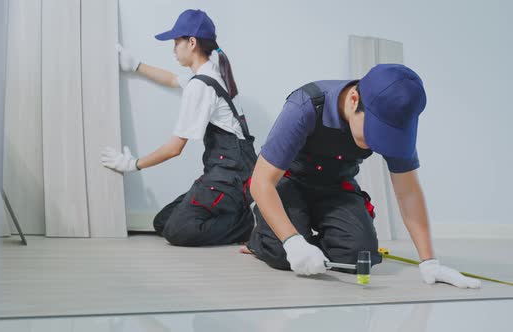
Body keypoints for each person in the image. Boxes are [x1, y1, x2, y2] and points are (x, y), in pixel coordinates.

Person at [241, 64, 480, 288]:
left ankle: (300, 236)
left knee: (358, 256)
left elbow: (408, 192)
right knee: (283, 253)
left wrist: (429, 262)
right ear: (354, 100)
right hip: (288, 182)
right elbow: (262, 182)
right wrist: (292, 241)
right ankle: (264, 237)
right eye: (374, 132)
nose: (377, 142)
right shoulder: (305, 105)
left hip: (335, 187)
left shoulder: (396, 123)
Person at [101, 9, 257, 246]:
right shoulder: (211, 73)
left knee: (177, 231)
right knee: (163, 222)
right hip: (229, 173)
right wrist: (136, 65)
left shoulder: (202, 86)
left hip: (231, 177)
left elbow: (174, 148)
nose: (174, 49)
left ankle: (248, 224)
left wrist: (132, 164)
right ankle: (236, 212)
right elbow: (173, 80)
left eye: (176, 42)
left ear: (191, 42)